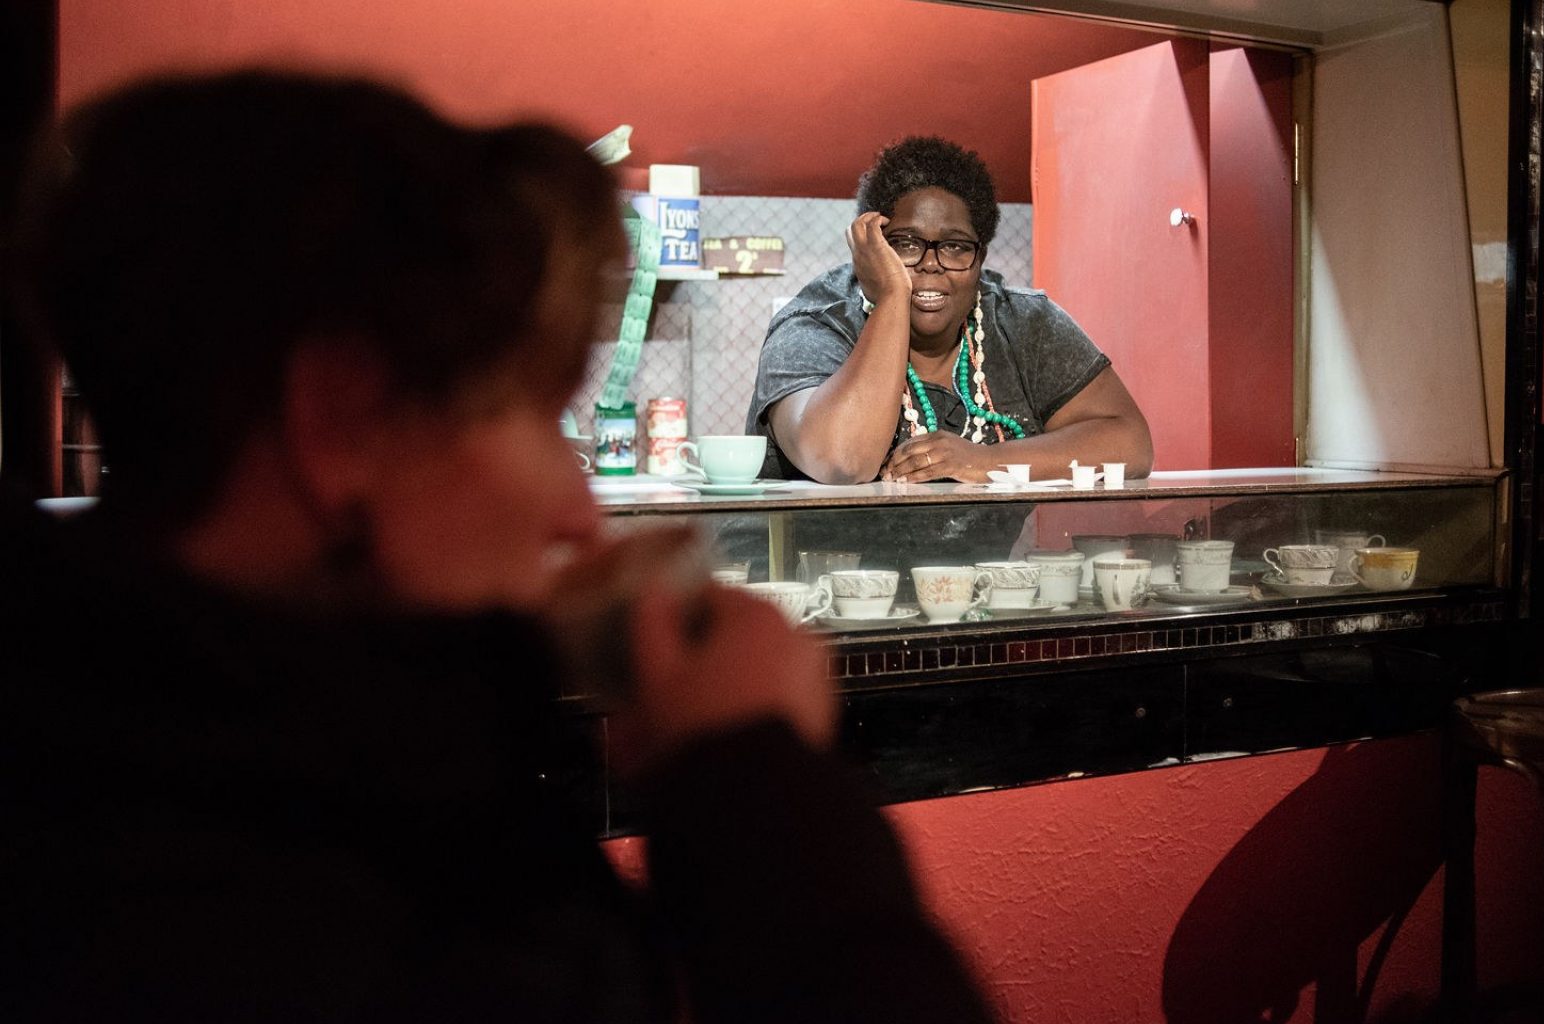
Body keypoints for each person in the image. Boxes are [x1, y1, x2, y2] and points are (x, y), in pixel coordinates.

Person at [0, 70, 994, 1024]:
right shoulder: (243, 920)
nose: (575, 506)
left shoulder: (299, 746)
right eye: (530, 411)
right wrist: (750, 779)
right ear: (343, 415)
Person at [746, 136, 1153, 485]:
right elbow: (842, 460)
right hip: (807, 574)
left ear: (980, 258)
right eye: (906, 244)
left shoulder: (1022, 323)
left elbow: (1130, 443)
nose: (931, 263)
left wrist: (984, 462)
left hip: (974, 578)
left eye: (955, 246)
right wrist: (890, 296)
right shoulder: (816, 324)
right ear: (871, 251)